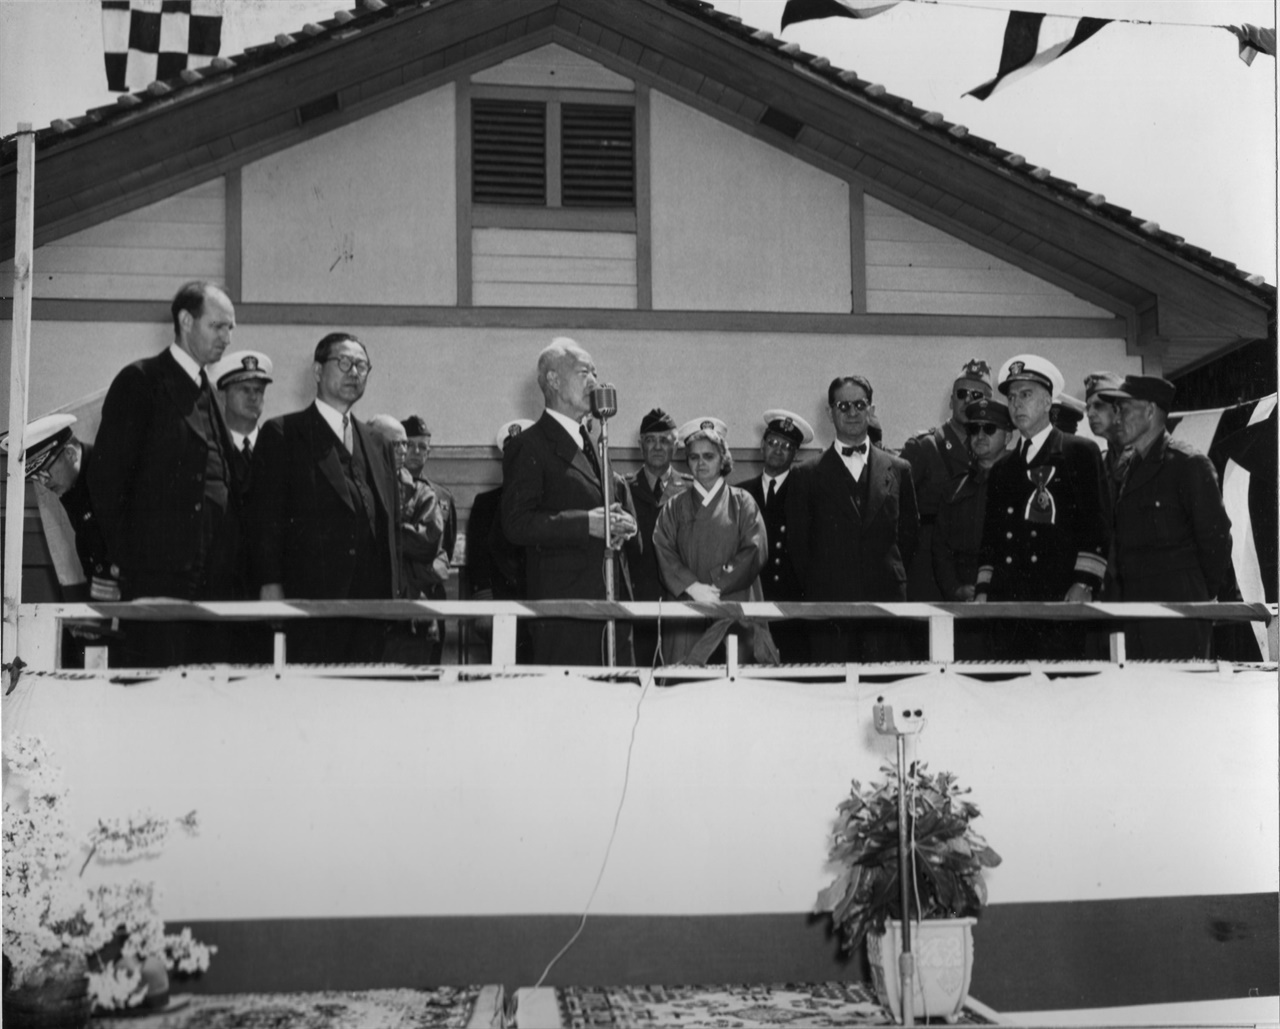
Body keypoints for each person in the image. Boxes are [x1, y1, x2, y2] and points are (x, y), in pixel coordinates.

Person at [88, 280, 240, 666]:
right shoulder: (142, 381)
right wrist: (134, 564)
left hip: (211, 578)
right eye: (218, 326)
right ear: (186, 321)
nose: (227, 337)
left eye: (230, 328)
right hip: (158, 579)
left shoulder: (207, 391)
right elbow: (106, 481)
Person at [250, 333, 400, 663]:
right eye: (343, 362)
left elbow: (390, 524)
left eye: (362, 365)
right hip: (312, 604)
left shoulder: (378, 443)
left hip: (372, 608)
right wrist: (270, 583)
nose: (354, 372)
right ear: (318, 371)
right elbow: (266, 520)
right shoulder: (283, 434)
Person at [500, 337, 639, 666]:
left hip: (610, 607)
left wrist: (620, 526)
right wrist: (585, 523)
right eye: (583, 372)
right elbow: (516, 524)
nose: (595, 380)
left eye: (595, 372)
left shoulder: (593, 440)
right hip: (565, 614)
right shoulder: (530, 446)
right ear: (553, 380)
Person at [975, 355, 1109, 659]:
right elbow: (992, 538)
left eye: (1026, 395)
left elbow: (1097, 525)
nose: (1016, 404)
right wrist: (984, 589)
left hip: (1057, 601)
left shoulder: (1078, 453)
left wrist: (1083, 583)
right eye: (1011, 397)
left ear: (1048, 402)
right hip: (1006, 604)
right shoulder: (1003, 468)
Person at [1096, 374, 1233, 659]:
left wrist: (1195, 594)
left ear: (1149, 410)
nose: (1116, 418)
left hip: (1179, 608)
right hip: (1135, 610)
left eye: (1124, 409)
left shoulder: (1188, 464)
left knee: (1181, 696)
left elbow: (1216, 539)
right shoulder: (1128, 467)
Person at [788, 375, 919, 663]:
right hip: (829, 609)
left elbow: (908, 539)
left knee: (884, 698)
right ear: (830, 412)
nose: (852, 413)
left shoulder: (900, 470)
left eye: (859, 405)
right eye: (843, 405)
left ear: (871, 409)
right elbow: (799, 548)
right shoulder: (805, 476)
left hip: (885, 607)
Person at [653, 418, 775, 665]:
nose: (701, 463)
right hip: (688, 606)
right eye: (694, 457)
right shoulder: (674, 507)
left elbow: (755, 549)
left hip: (734, 605)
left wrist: (715, 587)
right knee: (685, 685)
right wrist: (692, 587)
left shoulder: (742, 503)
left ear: (723, 459)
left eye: (708, 456)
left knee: (736, 684)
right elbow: (663, 547)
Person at [901, 359, 992, 602]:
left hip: (973, 563)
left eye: (977, 395)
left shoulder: (989, 451)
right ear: (951, 401)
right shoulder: (924, 447)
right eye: (961, 394)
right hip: (927, 562)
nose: (968, 400)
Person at [932, 399, 1013, 659]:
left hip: (1009, 606)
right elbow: (940, 547)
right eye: (974, 430)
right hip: (964, 605)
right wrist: (955, 589)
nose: (979, 436)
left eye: (989, 429)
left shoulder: (1023, 483)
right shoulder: (956, 487)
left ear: (1008, 435)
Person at [368, 414, 447, 663]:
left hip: (410, 607)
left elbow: (426, 543)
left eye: (405, 443)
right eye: (395, 444)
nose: (403, 450)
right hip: (367, 609)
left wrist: (384, 530)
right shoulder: (359, 487)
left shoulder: (422, 493)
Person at [737, 409, 814, 662]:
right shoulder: (739, 493)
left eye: (787, 445)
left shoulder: (805, 493)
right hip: (751, 602)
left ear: (796, 453)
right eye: (773, 443)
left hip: (790, 606)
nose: (778, 450)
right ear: (762, 446)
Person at [624, 407, 693, 666]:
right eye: (650, 440)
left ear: (675, 447)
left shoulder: (690, 489)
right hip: (636, 607)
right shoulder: (622, 488)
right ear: (640, 446)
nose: (657, 446)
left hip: (679, 605)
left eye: (664, 440)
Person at [466, 419, 534, 661]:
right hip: (500, 608)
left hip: (542, 606)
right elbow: (478, 560)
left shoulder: (549, 502)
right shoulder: (486, 505)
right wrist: (485, 606)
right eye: (511, 455)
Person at [401, 414, 458, 654]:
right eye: (410, 445)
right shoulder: (389, 490)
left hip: (432, 592)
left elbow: (448, 546)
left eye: (422, 446)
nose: (415, 451)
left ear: (429, 452)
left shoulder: (442, 497)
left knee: (432, 665)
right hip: (401, 593)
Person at [210, 349, 274, 503]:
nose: (253, 397)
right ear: (221, 397)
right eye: (244, 389)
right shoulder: (211, 448)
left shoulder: (277, 446)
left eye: (258, 390)